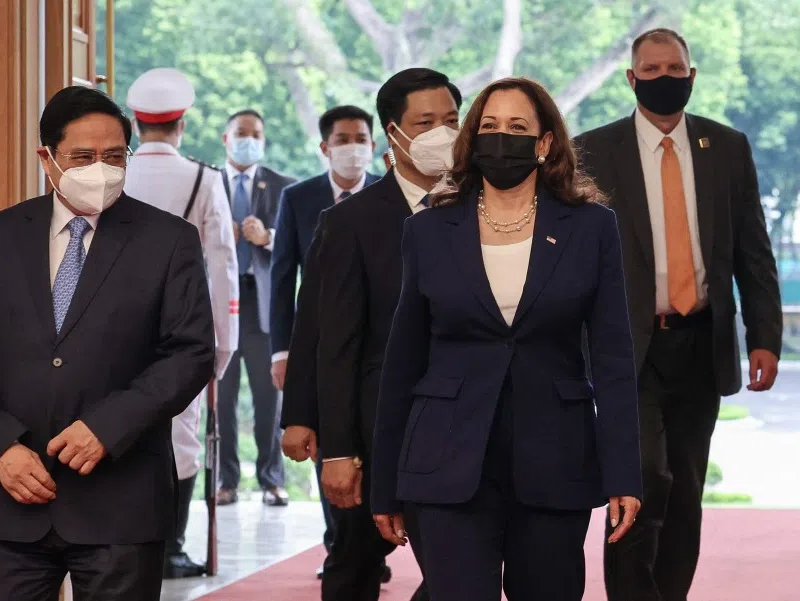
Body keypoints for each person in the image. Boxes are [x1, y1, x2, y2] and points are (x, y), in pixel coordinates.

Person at [370, 77, 644, 601]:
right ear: (471, 139)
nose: (502, 138)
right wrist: (385, 483)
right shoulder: (429, 229)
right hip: (447, 458)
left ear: (544, 144)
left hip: (555, 460)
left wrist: (623, 474)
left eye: (517, 127)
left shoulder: (592, 228)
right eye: (489, 126)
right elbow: (403, 361)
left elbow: (612, 360)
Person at [0, 86, 215, 601]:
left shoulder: (168, 240)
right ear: (47, 158)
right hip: (14, 500)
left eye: (114, 156)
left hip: (122, 500)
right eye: (83, 157)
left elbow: (190, 353)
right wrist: (1, 446)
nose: (101, 169)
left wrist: (108, 428)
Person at [575, 28, 782, 601]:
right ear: (631, 78)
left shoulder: (727, 146)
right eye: (652, 69)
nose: (664, 79)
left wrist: (764, 334)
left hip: (701, 341)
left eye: (675, 69)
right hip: (627, 347)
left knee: (685, 489)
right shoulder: (593, 150)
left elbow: (752, 249)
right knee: (641, 479)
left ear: (691, 76)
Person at [314, 67, 460, 601]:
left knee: (457, 571)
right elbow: (336, 343)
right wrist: (338, 449)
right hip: (376, 428)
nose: (442, 134)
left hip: (462, 425)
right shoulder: (351, 222)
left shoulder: (485, 209)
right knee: (354, 565)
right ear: (393, 133)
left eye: (451, 120)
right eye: (426, 123)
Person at [123, 67, 240, 579]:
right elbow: (222, 266)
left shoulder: (115, 172)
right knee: (180, 436)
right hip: (180, 329)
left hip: (111, 326)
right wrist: (222, 342)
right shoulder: (203, 178)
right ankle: (169, 546)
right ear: (182, 125)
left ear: (134, 121)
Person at [275, 104, 380, 580]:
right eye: (343, 139)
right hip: (319, 345)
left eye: (361, 138)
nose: (352, 148)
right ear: (325, 147)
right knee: (331, 442)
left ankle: (368, 545)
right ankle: (340, 535)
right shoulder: (299, 198)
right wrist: (283, 351)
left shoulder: (389, 196)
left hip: (376, 346)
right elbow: (283, 280)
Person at [218, 109, 295, 507]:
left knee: (270, 398)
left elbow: (302, 244)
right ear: (225, 139)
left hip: (264, 302)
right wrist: (219, 236)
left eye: (257, 134)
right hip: (220, 304)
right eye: (242, 133)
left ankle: (271, 479)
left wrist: (268, 237)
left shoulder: (283, 186)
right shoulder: (208, 184)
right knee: (222, 397)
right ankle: (225, 481)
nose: (250, 139)